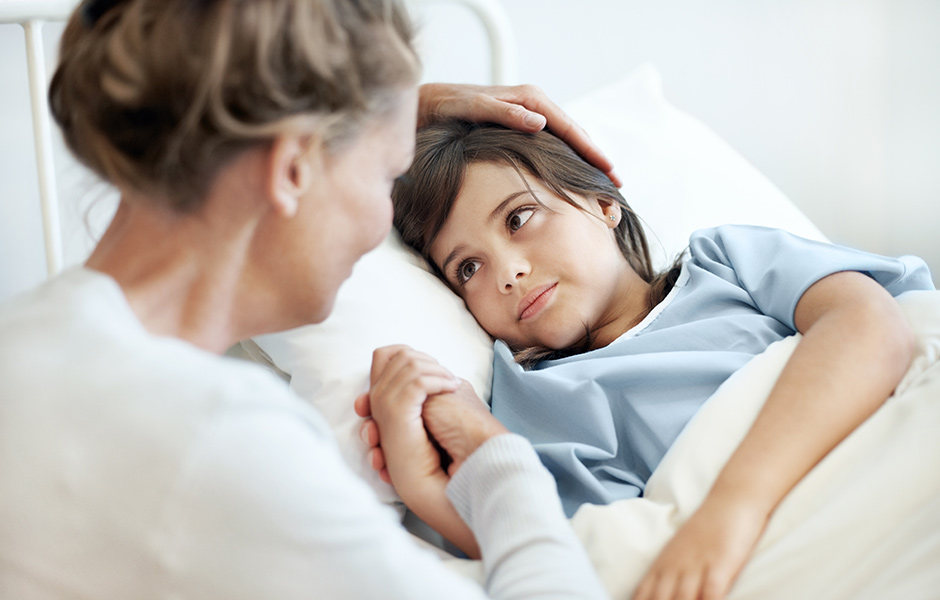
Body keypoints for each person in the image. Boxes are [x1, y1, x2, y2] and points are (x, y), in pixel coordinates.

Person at [0, 1, 615, 598]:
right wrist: (498, 466)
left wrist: (385, 113)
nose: (385, 228)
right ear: (293, 168)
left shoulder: (29, 345)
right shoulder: (223, 446)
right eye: (385, 176)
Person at [363, 120, 935, 599]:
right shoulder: (537, 396)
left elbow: (872, 329)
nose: (507, 271)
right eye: (468, 268)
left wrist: (732, 508)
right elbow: (568, 557)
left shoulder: (728, 262)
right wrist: (427, 492)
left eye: (518, 218)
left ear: (603, 202)